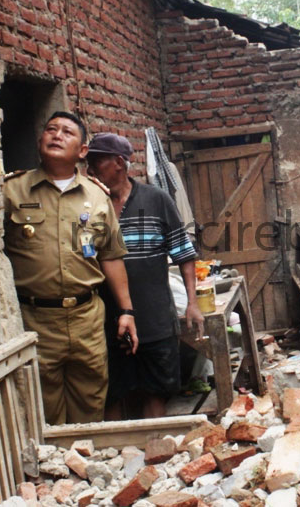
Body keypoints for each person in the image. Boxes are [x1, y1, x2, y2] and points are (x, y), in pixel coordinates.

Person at [3, 111, 138, 425]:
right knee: (41, 408)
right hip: (34, 320)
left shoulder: (96, 197)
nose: (56, 135)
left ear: (82, 151)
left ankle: (85, 466)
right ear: (40, 141)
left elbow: (111, 256)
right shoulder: (12, 191)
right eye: (50, 129)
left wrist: (127, 311)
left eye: (66, 131)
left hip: (85, 318)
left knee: (90, 402)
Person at [84, 133, 203, 420]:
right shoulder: (89, 204)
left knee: (155, 391)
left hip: (154, 316)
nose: (90, 170)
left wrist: (192, 302)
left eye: (97, 162)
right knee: (112, 393)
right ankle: (115, 458)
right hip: (106, 318)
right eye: (88, 163)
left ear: (119, 163)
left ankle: (155, 456)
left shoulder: (156, 200)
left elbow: (183, 254)